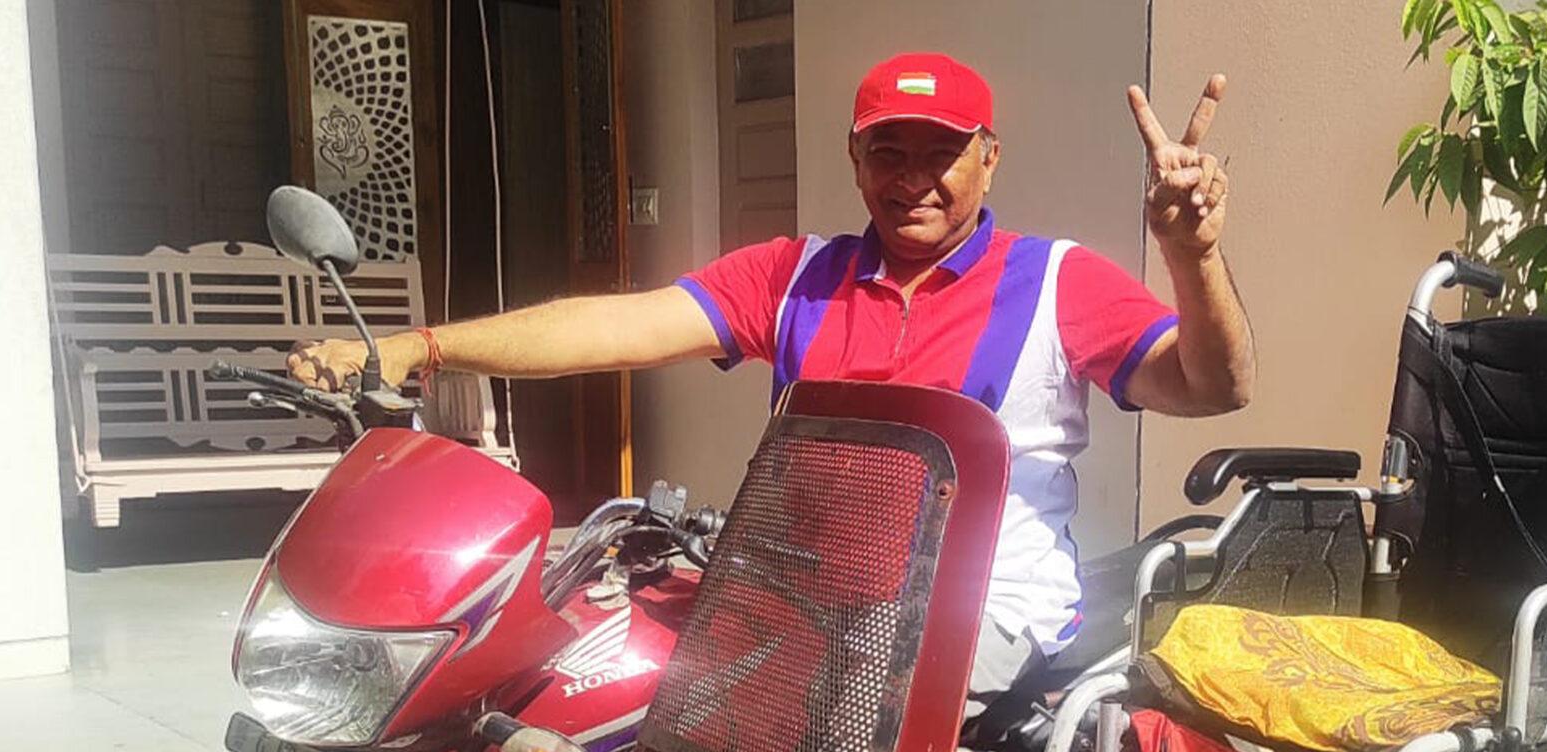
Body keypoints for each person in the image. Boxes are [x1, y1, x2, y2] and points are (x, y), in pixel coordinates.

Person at [291, 52, 1255, 712]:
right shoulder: (797, 274)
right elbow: (619, 322)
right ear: (854, 157)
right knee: (581, 664)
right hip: (801, 598)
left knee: (772, 713)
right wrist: (422, 346)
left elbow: (1213, 387)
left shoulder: (1057, 280)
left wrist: (1192, 255)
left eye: (942, 152)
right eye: (890, 149)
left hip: (974, 615)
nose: (914, 177)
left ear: (988, 160)